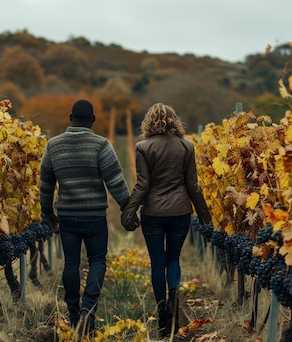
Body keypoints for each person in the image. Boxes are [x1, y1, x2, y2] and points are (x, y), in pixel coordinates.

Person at [39, 99, 131, 337]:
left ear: (70, 118)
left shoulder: (53, 146)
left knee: (71, 264)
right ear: (92, 120)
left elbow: (46, 185)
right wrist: (127, 208)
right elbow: (116, 181)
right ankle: (87, 312)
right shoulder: (101, 145)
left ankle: (73, 316)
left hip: (67, 216)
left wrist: (48, 213)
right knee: (98, 262)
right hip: (94, 216)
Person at [121, 102, 211, 338]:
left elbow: (143, 185)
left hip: (153, 213)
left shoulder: (143, 147)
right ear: (174, 121)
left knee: (157, 262)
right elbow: (192, 185)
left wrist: (128, 211)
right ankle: (174, 300)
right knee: (173, 258)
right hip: (181, 211)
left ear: (149, 122)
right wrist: (203, 211)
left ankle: (163, 312)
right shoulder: (187, 146)